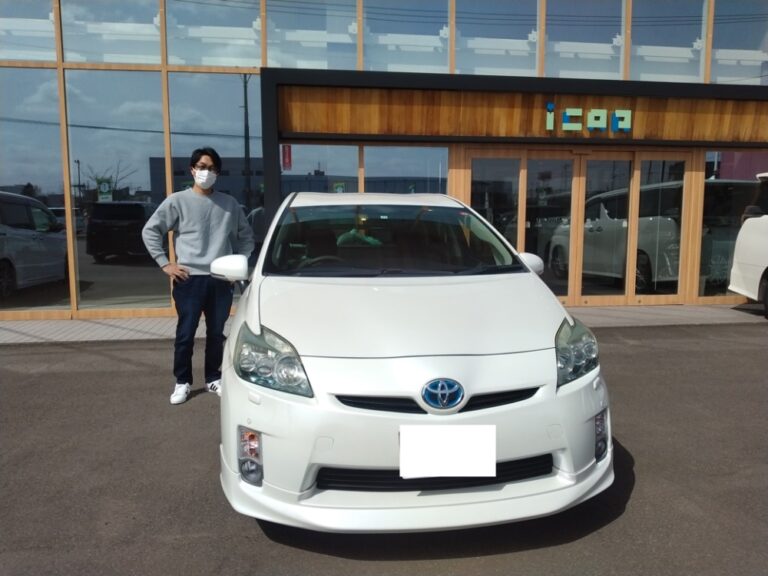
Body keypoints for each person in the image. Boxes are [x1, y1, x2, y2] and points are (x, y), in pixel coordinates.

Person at [142, 147, 254, 405]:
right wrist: (165, 264)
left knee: (216, 333)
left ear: (218, 173)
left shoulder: (229, 204)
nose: (206, 172)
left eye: (212, 168)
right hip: (188, 278)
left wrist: (238, 263)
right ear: (192, 169)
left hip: (221, 278)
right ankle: (182, 381)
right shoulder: (177, 201)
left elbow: (246, 237)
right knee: (186, 334)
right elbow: (150, 231)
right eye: (202, 167)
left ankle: (213, 377)